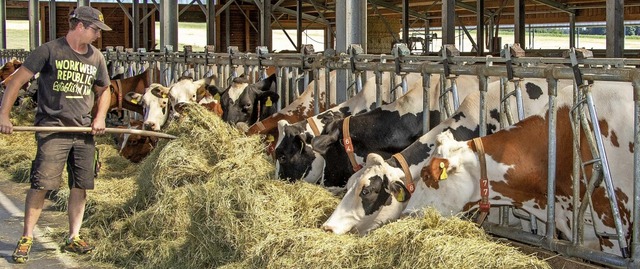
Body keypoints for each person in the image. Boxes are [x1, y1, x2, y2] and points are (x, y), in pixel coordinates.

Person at [0, 6, 112, 263]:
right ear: (80, 26)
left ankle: (73, 237)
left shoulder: (96, 58)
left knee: (81, 185)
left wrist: (100, 117)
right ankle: (27, 237)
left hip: (83, 131)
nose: (98, 35)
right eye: (95, 29)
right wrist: (4, 115)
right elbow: (15, 82)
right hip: (52, 129)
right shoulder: (49, 51)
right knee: (42, 184)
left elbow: (104, 90)